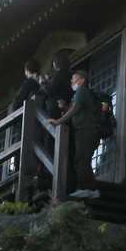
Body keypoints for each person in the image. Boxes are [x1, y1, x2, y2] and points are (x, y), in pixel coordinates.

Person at [50, 68, 100, 198]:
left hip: (86, 130)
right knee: (81, 159)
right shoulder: (80, 93)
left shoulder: (82, 91)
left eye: (74, 79)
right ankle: (88, 188)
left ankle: (89, 188)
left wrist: (58, 121)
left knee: (82, 159)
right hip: (84, 130)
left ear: (82, 80)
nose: (72, 81)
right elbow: (75, 108)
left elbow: (75, 110)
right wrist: (65, 107)